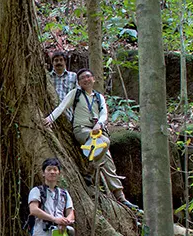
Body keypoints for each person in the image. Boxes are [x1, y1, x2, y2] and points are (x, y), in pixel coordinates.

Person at [44, 68, 137, 209]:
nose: (85, 79)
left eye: (88, 76)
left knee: (108, 162)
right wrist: (50, 119)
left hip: (98, 132)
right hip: (82, 130)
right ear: (79, 82)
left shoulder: (99, 97)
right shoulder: (75, 94)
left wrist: (99, 124)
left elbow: (104, 114)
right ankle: (90, 169)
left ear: (93, 79)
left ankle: (120, 196)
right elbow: (62, 107)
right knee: (105, 143)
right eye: (82, 78)